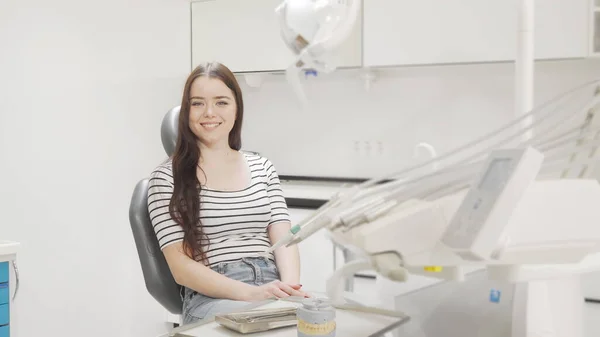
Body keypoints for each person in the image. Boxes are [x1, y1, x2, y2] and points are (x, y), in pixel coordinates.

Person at [147, 62, 307, 324]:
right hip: (212, 295)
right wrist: (252, 294)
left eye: (221, 102)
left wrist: (290, 290)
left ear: (236, 109)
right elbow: (181, 268)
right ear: (186, 112)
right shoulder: (166, 178)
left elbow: (284, 239)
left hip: (271, 285)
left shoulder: (262, 167)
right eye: (197, 103)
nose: (209, 112)